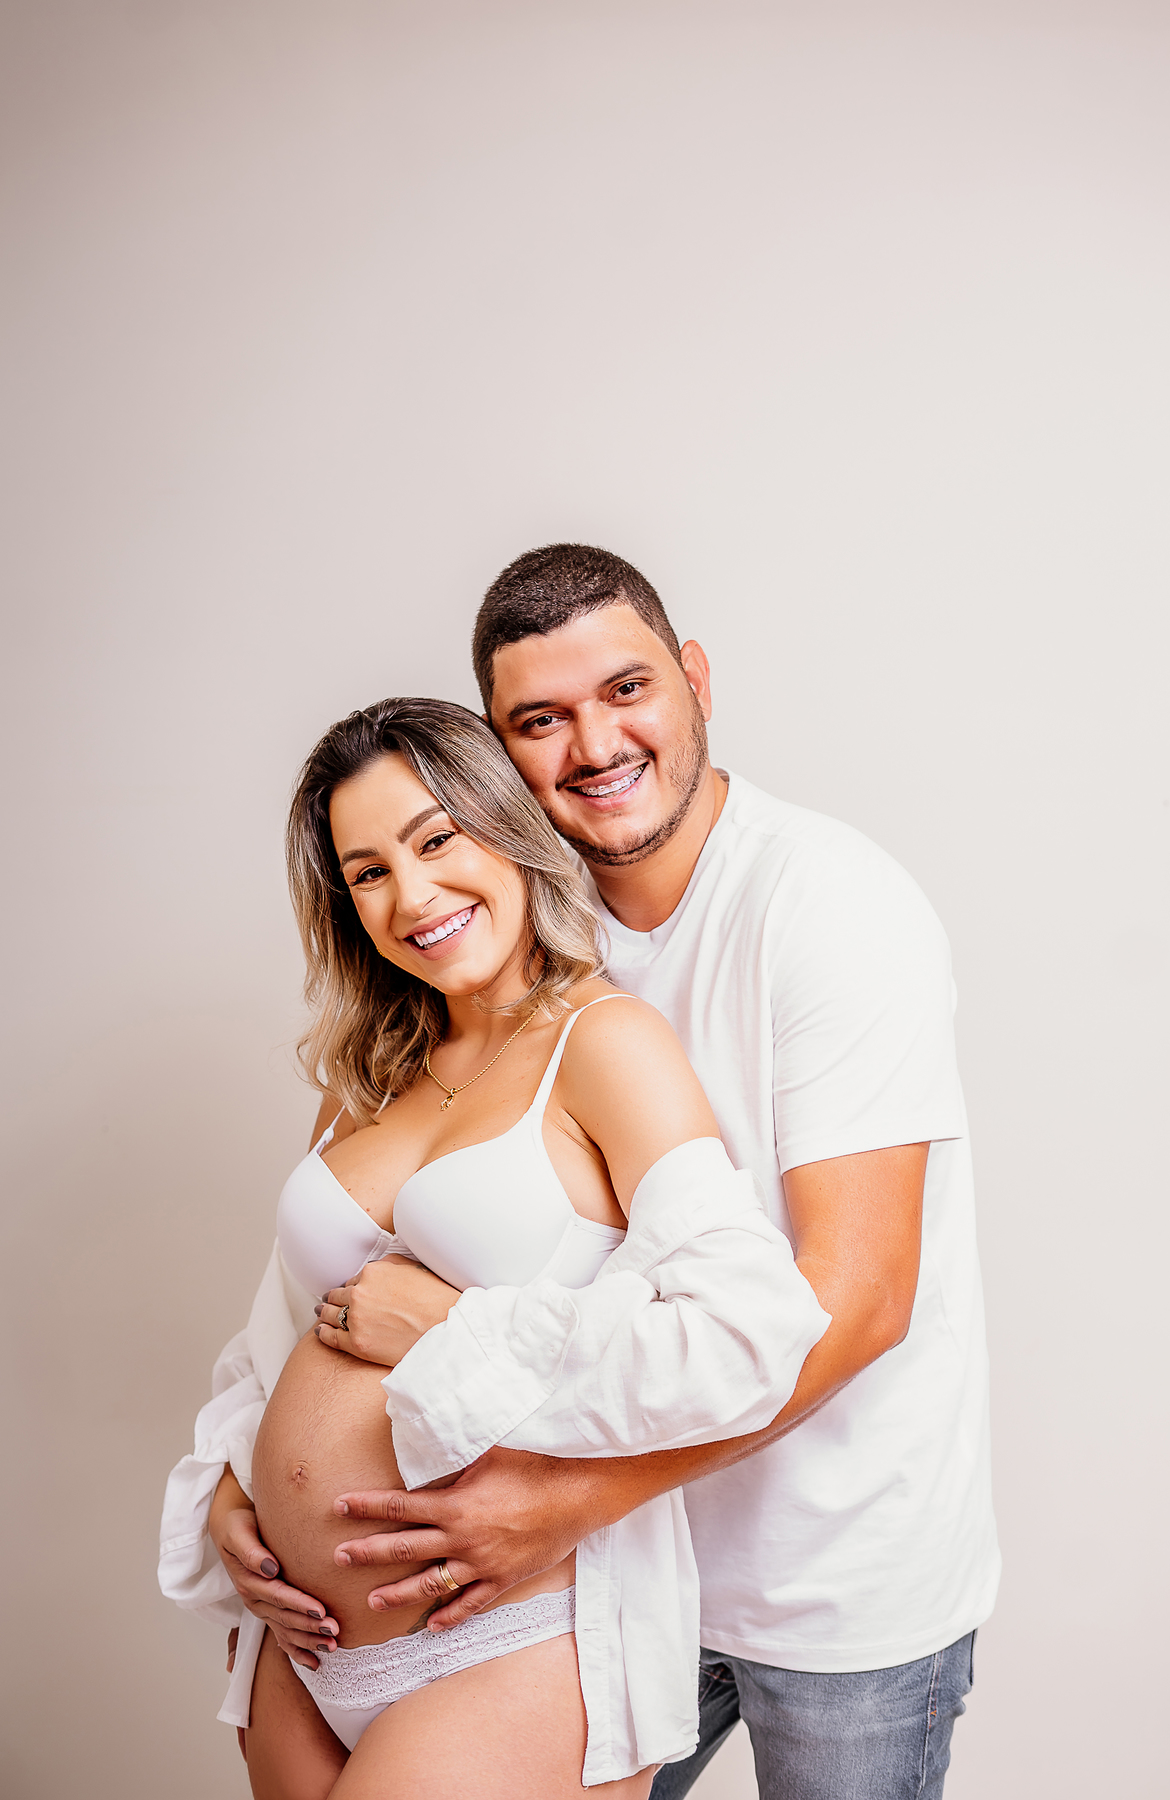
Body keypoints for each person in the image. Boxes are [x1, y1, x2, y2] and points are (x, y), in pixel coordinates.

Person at [280, 545, 1002, 1800]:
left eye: (627, 691)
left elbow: (858, 1299)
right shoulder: (505, 924)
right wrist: (239, 1480)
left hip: (824, 1569)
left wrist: (567, 1501)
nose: (595, 745)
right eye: (540, 721)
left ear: (696, 682)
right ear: (498, 756)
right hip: (610, 1579)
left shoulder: (826, 905)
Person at [159, 695, 830, 1797]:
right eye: (368, 872)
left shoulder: (604, 1043)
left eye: (436, 840)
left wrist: (460, 1328)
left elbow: (749, 1335)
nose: (412, 895)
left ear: (508, 829)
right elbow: (276, 1343)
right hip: (304, 1644)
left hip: (506, 1638)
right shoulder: (366, 1078)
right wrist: (237, 1493)